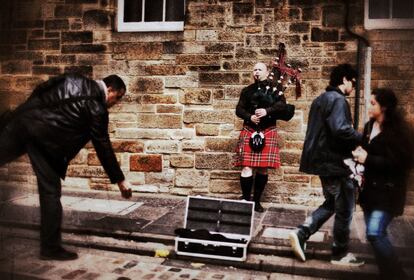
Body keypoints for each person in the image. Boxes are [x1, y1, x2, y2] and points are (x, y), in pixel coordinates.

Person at [0, 73, 133, 261]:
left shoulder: (74, 78)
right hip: (43, 141)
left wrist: (31, 112)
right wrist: (120, 180)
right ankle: (50, 248)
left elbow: (42, 87)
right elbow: (102, 145)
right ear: (109, 89)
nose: (116, 102)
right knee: (50, 193)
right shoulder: (97, 107)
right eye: (118, 97)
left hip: (22, 122)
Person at [289, 64, 364, 266]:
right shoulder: (338, 100)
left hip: (322, 163)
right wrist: (362, 138)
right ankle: (339, 254)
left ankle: (301, 233)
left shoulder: (320, 99)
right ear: (346, 79)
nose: (354, 88)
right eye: (354, 83)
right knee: (346, 208)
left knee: (332, 203)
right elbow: (340, 130)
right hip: (335, 164)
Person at [352, 88, 413, 279]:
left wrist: (368, 158)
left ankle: (398, 275)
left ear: (384, 107)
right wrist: (358, 154)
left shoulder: (399, 132)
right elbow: (365, 149)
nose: (369, 106)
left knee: (375, 234)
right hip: (371, 192)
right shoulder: (370, 126)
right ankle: (387, 274)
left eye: (373, 103)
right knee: (376, 235)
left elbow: (400, 164)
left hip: (388, 193)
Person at [235, 62, 292, 212]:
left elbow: (283, 106)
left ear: (267, 73)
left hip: (268, 130)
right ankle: (246, 201)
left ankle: (257, 202)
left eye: (260, 69)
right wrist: (250, 116)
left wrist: (267, 111)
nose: (257, 72)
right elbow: (239, 109)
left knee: (262, 169)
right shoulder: (247, 91)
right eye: (254, 69)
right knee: (246, 167)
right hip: (249, 128)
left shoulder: (276, 90)